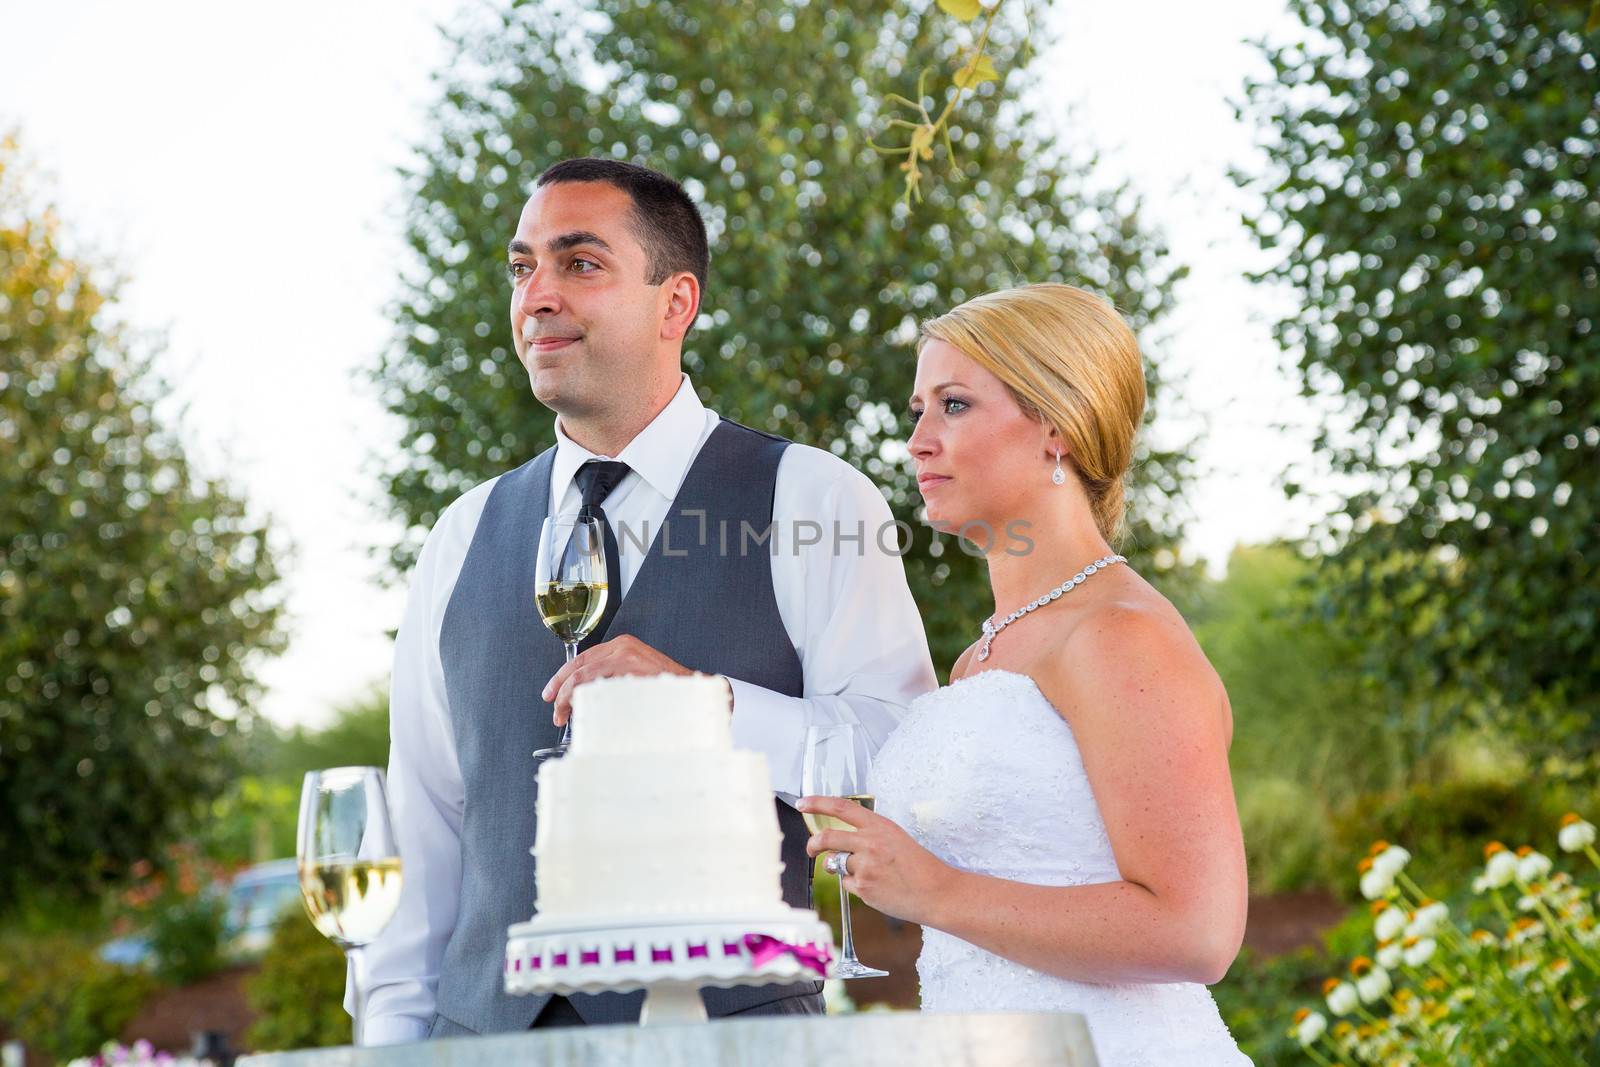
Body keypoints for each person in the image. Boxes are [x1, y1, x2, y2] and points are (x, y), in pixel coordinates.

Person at [358, 158, 937, 1042]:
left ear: (677, 304)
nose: (538, 295)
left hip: (731, 1042)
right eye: (522, 268)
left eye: (580, 263)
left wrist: (709, 709)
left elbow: (902, 757)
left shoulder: (812, 499)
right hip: (482, 1045)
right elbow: (424, 823)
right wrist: (394, 1049)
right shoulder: (463, 534)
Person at [799, 284, 1252, 1065]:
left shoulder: (1117, 635)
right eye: (918, 409)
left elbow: (1198, 931)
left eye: (955, 405)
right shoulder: (981, 656)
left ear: (1056, 427)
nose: (918, 440)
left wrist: (933, 889)